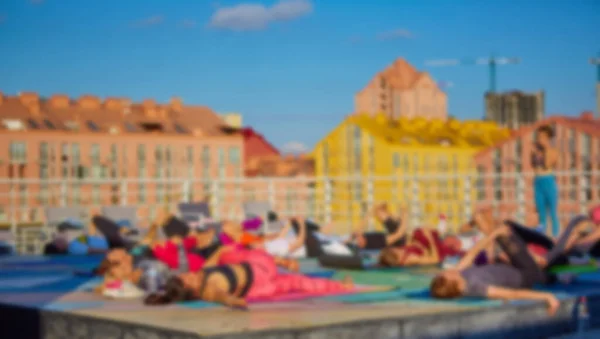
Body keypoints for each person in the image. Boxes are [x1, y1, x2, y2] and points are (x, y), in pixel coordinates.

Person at [144, 247, 355, 308]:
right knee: (299, 282)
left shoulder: (202, 273)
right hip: (261, 278)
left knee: (228, 254)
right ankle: (340, 286)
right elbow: (220, 295)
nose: (186, 273)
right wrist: (233, 301)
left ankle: (284, 262)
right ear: (188, 286)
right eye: (184, 277)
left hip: (258, 269)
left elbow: (218, 255)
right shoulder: (207, 289)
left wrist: (222, 252)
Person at [429, 225, 560, 315]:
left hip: (511, 266)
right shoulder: (477, 287)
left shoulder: (458, 274)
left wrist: (493, 234)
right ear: (452, 281)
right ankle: (552, 254)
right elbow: (512, 294)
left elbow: (473, 253)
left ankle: (549, 271)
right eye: (445, 274)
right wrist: (547, 296)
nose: (446, 271)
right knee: (506, 230)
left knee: (500, 233)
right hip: (526, 273)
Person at [531, 125, 560, 237]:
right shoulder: (537, 151)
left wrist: (546, 148)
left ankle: (555, 238)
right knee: (541, 214)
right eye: (538, 136)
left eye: (542, 137)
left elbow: (547, 164)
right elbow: (533, 165)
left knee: (552, 212)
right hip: (538, 181)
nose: (539, 139)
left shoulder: (553, 150)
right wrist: (534, 153)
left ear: (548, 138)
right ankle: (541, 238)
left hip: (548, 181)